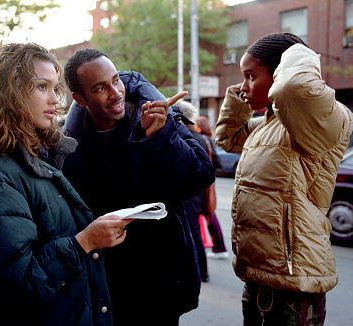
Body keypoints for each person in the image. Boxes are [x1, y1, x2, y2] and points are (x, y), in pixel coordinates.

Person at [0, 43, 133, 326]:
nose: (55, 100)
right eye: (42, 87)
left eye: (55, 88)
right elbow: (14, 286)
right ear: (9, 93)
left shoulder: (30, 155)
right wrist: (85, 241)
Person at [62, 48, 215, 326]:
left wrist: (158, 138)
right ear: (80, 99)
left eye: (116, 80)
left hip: (159, 280)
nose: (115, 92)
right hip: (104, 282)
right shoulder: (67, 142)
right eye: (100, 88)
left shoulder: (153, 115)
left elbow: (199, 177)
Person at [215, 32, 353, 325]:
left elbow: (294, 87)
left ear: (280, 73)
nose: (244, 87)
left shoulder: (329, 119)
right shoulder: (266, 125)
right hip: (258, 276)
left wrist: (300, 52)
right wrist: (243, 94)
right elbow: (226, 137)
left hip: (293, 286)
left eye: (251, 76)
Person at [173, 100, 211, 283]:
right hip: (200, 190)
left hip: (189, 191)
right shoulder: (201, 138)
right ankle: (201, 271)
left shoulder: (185, 137)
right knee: (194, 230)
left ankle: (200, 271)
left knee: (192, 232)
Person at [195, 116, 229, 260]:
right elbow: (217, 162)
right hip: (207, 183)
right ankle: (219, 248)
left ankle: (219, 248)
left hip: (202, 185)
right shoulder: (208, 140)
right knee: (209, 213)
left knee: (208, 214)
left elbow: (215, 162)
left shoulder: (201, 139)